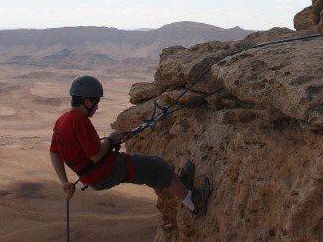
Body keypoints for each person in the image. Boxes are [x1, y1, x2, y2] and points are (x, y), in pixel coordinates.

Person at [49, 74, 211, 215]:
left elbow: (55, 153)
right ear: (87, 101)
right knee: (156, 167)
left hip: (93, 176)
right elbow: (95, 155)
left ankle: (179, 185)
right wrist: (111, 140)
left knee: (148, 167)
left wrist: (64, 182)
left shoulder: (62, 121)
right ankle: (193, 202)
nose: (97, 106)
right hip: (105, 171)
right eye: (96, 102)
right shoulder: (80, 121)